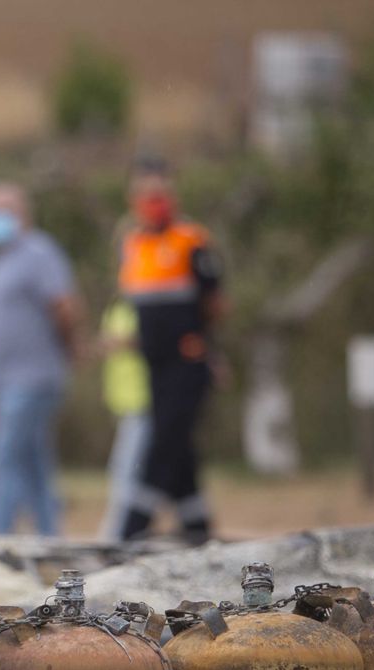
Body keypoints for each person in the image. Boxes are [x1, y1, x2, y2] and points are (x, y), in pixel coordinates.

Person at [116, 162, 225, 542]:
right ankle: (198, 529)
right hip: (153, 366)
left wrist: (207, 345)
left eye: (160, 196)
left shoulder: (191, 240)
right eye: (146, 197)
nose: (153, 204)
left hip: (188, 361)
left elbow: (215, 301)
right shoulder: (131, 245)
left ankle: (129, 530)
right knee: (178, 450)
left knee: (162, 444)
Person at [0, 182, 82, 536]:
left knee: (3, 458)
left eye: (1, 210)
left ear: (23, 213)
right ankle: (49, 538)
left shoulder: (38, 253)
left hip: (31, 378)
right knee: (33, 463)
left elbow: (64, 305)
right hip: (6, 380)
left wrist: (69, 347)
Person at [97, 298, 152, 539]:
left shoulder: (147, 308)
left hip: (146, 400)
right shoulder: (115, 309)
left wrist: (124, 342)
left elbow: (155, 339)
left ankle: (116, 533)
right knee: (129, 468)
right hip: (124, 403)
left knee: (126, 468)